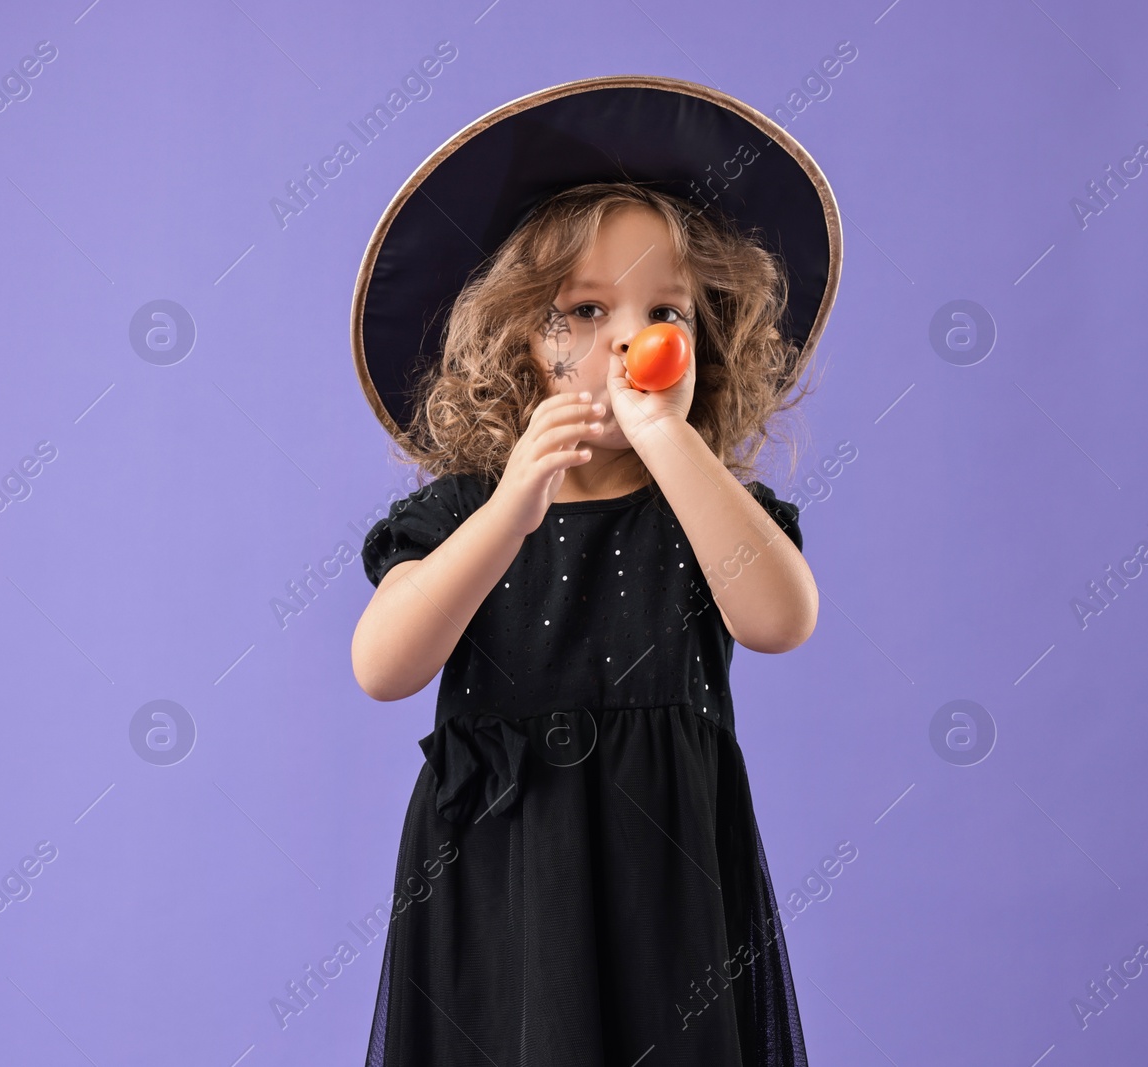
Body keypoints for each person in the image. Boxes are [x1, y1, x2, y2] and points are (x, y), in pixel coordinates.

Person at [347, 76, 843, 1066]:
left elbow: (780, 617)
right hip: (500, 886)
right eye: (583, 309)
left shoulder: (700, 512)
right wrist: (508, 512)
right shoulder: (461, 514)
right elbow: (382, 665)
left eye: (669, 310)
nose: (633, 337)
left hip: (667, 893)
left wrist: (672, 446)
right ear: (519, 341)